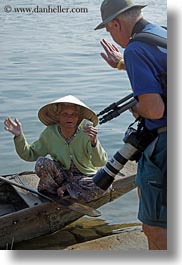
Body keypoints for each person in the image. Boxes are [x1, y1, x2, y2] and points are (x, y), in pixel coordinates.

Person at [95, 0, 167, 249]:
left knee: (156, 228)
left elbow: (154, 110)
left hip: (166, 148)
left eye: (109, 30)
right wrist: (122, 63)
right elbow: (164, 71)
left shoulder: (136, 49)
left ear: (116, 23)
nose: (112, 37)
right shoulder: (164, 34)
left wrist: (135, 108)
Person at [4, 95, 108, 202]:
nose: (70, 118)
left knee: (104, 186)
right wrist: (18, 136)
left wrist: (94, 143)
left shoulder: (86, 133)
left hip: (83, 177)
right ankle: (54, 191)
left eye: (74, 115)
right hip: (61, 176)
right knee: (41, 163)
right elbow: (30, 154)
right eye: (65, 114)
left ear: (78, 118)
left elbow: (100, 162)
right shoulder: (50, 133)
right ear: (58, 117)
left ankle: (67, 189)